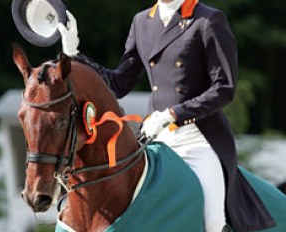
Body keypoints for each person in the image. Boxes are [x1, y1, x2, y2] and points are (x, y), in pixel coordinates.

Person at [57, 0, 276, 231]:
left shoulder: (208, 19)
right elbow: (118, 84)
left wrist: (174, 114)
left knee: (213, 221)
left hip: (197, 138)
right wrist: (74, 53)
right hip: (156, 138)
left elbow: (224, 88)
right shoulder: (142, 21)